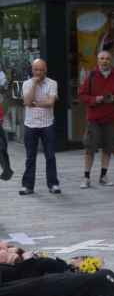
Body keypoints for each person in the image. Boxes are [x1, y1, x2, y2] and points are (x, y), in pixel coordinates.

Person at [79, 51, 114, 189]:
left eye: (107, 58)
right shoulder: (91, 75)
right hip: (94, 118)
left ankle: (103, 176)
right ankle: (86, 177)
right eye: (102, 58)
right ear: (97, 60)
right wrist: (96, 99)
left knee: (108, 148)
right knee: (90, 148)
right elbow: (82, 95)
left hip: (111, 118)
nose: (104, 61)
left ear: (111, 61)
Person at [19, 59, 60, 195]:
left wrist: (35, 103)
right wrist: (34, 85)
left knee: (50, 156)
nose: (39, 72)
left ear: (46, 69)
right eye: (36, 69)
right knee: (30, 156)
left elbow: (50, 103)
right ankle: (27, 186)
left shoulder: (52, 83)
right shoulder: (27, 84)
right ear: (32, 70)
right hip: (31, 124)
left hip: (47, 124)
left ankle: (53, 184)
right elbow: (27, 101)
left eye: (41, 69)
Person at [0, 63, 13, 181]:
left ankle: (6, 168)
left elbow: (4, 88)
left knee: (2, 145)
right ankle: (6, 168)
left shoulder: (1, 74)